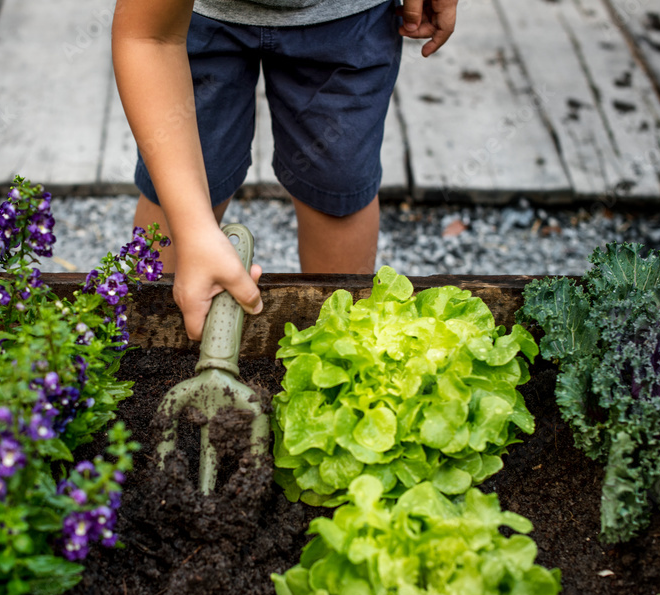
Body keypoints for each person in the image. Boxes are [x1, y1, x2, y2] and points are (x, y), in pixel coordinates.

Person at [112, 0, 458, 340]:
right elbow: (148, 38)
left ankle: (339, 355)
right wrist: (193, 234)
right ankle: (147, 343)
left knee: (337, 184)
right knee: (176, 185)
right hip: (190, 17)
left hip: (348, 17)